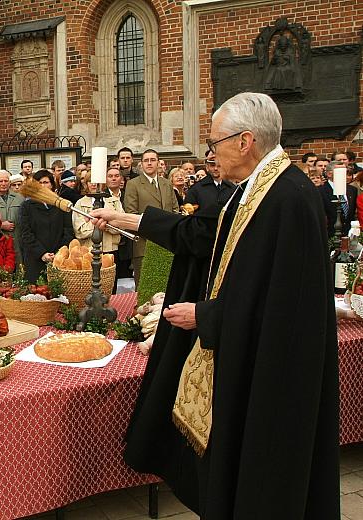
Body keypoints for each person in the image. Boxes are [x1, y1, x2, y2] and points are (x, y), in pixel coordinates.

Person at [90, 91, 339, 519]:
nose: (210, 154)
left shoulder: (289, 199)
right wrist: (129, 219)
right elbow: (204, 237)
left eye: (214, 143)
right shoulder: (260, 189)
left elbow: (288, 306)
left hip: (275, 377)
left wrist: (206, 315)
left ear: (245, 142)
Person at [123, 148, 179, 286]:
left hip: (167, 244)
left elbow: (175, 210)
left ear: (158, 163)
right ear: (141, 164)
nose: (149, 163)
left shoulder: (166, 183)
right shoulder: (133, 184)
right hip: (144, 244)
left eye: (153, 160)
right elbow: (131, 213)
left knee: (167, 286)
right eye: (146, 160)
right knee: (145, 287)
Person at [19, 169, 73, 283]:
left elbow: (68, 230)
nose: (43, 186)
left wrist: (59, 252)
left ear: (52, 184)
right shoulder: (26, 206)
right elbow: (26, 233)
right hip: (35, 257)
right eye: (39, 183)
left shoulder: (61, 204)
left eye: (46, 182)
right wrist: (42, 253)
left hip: (58, 257)